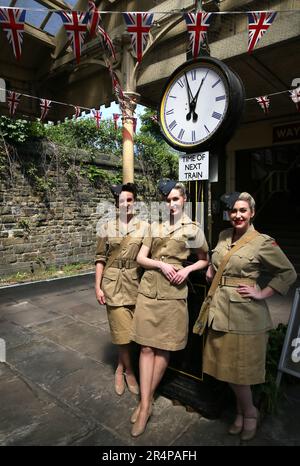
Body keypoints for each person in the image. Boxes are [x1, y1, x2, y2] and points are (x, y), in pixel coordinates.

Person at [203, 191, 297, 441]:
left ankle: (249, 413)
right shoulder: (224, 235)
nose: (237, 215)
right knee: (226, 367)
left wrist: (263, 292)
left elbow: (288, 273)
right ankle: (242, 411)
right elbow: (218, 261)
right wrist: (212, 271)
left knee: (240, 370)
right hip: (219, 310)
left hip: (245, 314)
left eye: (243, 210)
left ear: (252, 213)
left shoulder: (263, 241)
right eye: (234, 211)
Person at [130, 181, 209, 437]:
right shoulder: (154, 226)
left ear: (184, 199)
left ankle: (145, 403)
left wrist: (186, 268)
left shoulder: (193, 228)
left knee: (163, 346)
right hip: (149, 289)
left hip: (174, 293)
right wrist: (160, 265)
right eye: (167, 200)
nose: (171, 204)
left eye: (176, 199)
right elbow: (140, 258)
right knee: (145, 346)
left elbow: (204, 260)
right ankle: (145, 405)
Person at [95, 183, 148, 396]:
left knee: (130, 333)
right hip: (112, 283)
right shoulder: (106, 227)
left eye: (130, 200)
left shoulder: (145, 227)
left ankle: (120, 366)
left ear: (135, 202)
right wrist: (97, 287)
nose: (126, 204)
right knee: (121, 333)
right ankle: (130, 373)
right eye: (122, 201)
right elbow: (99, 258)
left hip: (135, 283)